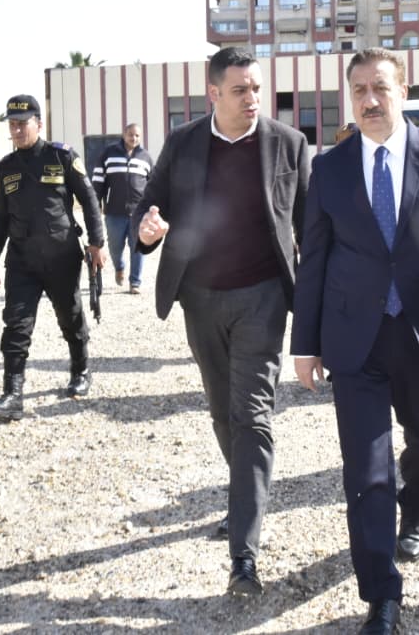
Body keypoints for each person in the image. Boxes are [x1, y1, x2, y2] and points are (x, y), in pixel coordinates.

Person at [292, 48, 419, 635]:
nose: (370, 100)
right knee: (366, 470)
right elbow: (315, 259)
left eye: (380, 87)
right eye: (359, 90)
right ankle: (381, 594)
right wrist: (305, 343)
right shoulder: (330, 168)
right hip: (356, 340)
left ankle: (418, 509)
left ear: (403, 92)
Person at [133, 47, 309, 597]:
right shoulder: (184, 143)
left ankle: (243, 557)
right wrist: (146, 228)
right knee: (221, 412)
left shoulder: (289, 143)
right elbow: (150, 204)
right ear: (213, 94)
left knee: (252, 415)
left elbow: (311, 226)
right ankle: (244, 496)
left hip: (264, 298)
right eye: (239, 90)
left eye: (256, 88)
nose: (252, 98)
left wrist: (322, 303)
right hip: (201, 299)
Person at [0, 95, 105, 420]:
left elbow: (89, 199)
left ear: (39, 123)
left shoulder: (61, 156)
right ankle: (12, 395)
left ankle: (81, 370)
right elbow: (0, 217)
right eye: (12, 124)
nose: (16, 130)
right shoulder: (5, 167)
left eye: (22, 124)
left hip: (61, 255)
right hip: (22, 260)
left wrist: (97, 242)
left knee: (70, 316)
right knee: (16, 324)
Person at [91, 123, 153, 294]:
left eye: (137, 135)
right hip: (114, 212)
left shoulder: (146, 157)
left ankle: (135, 282)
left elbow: (153, 184)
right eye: (131, 134)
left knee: (138, 246)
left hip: (139, 212)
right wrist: (96, 203)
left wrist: (152, 206)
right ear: (124, 134)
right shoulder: (108, 154)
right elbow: (98, 180)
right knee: (115, 247)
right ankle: (119, 267)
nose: (134, 138)